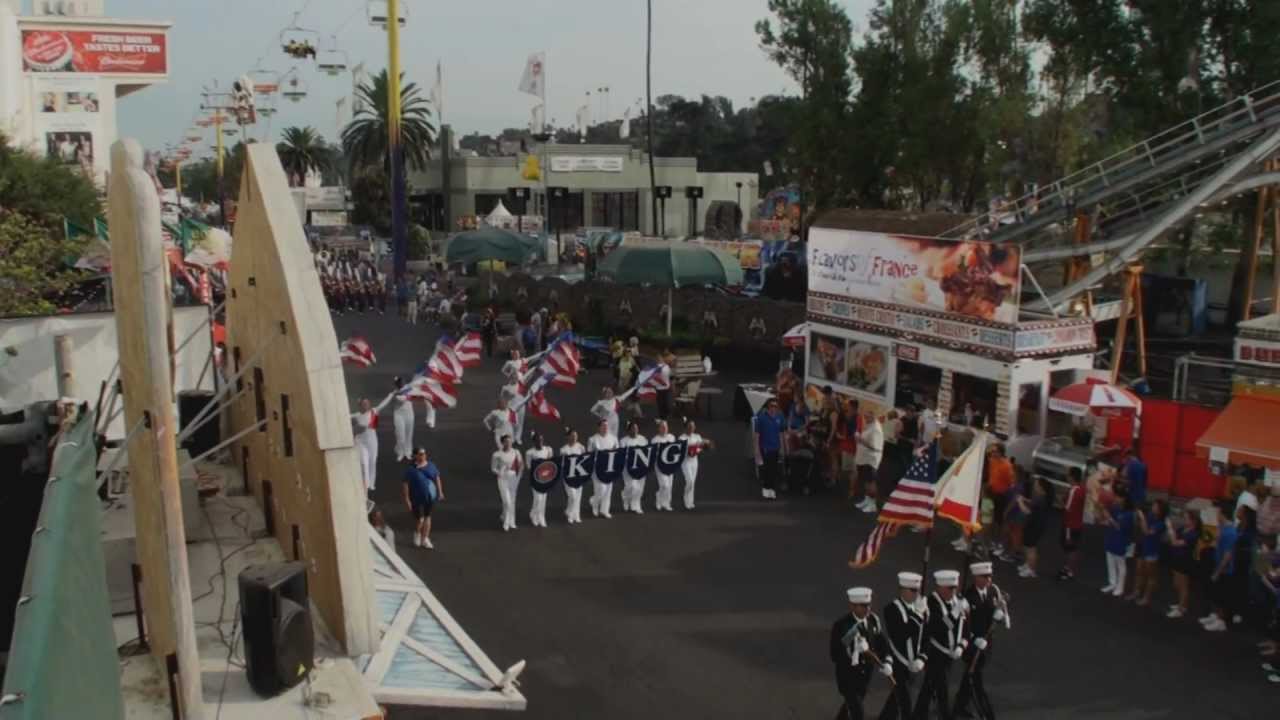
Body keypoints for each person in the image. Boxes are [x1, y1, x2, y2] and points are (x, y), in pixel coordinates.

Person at [953, 562, 1008, 719]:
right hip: (972, 647)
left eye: (990, 576)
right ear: (976, 577)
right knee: (976, 681)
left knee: (969, 678)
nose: (988, 579)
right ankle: (987, 714)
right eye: (985, 576)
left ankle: (959, 707)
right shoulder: (968, 597)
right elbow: (962, 625)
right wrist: (973, 639)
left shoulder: (992, 592)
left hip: (986, 645)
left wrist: (999, 616)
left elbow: (996, 613)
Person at [830, 586, 891, 720]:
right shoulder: (841, 625)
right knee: (858, 713)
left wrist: (887, 662)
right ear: (852, 606)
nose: (867, 609)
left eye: (869, 605)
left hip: (864, 678)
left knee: (848, 708)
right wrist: (853, 647)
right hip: (847, 677)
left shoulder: (873, 621)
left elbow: (882, 644)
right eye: (863, 606)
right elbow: (834, 654)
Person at [915, 569, 966, 720]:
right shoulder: (931, 603)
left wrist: (961, 645)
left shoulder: (957, 601)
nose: (954, 591)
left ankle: (918, 715)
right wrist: (955, 613)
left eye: (955, 588)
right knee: (942, 689)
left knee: (929, 687)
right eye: (951, 588)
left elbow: (965, 628)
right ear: (940, 588)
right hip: (935, 653)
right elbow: (939, 628)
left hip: (950, 654)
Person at [879, 571, 926, 720]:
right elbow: (901, 636)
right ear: (902, 590)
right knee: (906, 704)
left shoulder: (922, 608)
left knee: (895, 701)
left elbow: (927, 636)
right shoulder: (891, 610)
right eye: (913, 590)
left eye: (918, 590)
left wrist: (922, 658)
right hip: (898, 663)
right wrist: (918, 615)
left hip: (914, 664)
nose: (916, 594)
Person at [1202, 502, 1240, 632]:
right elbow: (1216, 542)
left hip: (1225, 570)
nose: (1216, 515)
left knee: (1222, 596)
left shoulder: (1231, 532)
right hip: (1218, 565)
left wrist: (1218, 572)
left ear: (1223, 514)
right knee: (1217, 594)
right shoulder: (1223, 528)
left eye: (1218, 513)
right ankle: (1215, 616)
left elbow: (1228, 556)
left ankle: (1221, 622)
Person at [350, 394, 394, 494]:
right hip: (360, 442)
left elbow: (383, 404)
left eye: (368, 403)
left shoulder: (374, 411)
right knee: (364, 463)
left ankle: (371, 484)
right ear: (360, 405)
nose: (366, 405)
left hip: (372, 441)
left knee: (372, 462)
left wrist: (391, 395)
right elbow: (345, 417)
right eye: (364, 404)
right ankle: (365, 484)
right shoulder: (356, 415)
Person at [402, 448, 442, 548]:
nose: (423, 456)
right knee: (420, 519)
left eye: (424, 454)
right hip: (416, 498)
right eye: (420, 454)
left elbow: (437, 478)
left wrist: (440, 492)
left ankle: (425, 539)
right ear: (415, 456)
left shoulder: (431, 466)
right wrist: (407, 499)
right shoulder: (411, 469)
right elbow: (405, 484)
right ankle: (417, 533)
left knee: (428, 517)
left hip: (429, 497)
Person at [1130, 499, 1168, 605]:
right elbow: (1141, 527)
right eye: (1153, 506)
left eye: (1155, 507)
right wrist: (1140, 517)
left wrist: (1142, 517)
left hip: (1152, 550)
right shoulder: (1150, 515)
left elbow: (1146, 531)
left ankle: (1146, 597)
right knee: (1139, 571)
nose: (1153, 508)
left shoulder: (1161, 523)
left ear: (1161, 510)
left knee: (1150, 575)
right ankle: (1136, 591)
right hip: (1143, 547)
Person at [1166, 507, 1202, 619]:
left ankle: (1181, 609)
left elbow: (1175, 542)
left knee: (1183, 586)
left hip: (1185, 561)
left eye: (1186, 519)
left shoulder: (1193, 534)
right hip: (1176, 558)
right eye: (1184, 518)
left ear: (1193, 521)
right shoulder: (1183, 529)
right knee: (1176, 584)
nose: (1184, 521)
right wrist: (1172, 532)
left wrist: (1170, 528)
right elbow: (1172, 540)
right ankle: (1182, 604)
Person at [1101, 490, 1135, 598]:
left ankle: (1120, 587)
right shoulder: (1115, 507)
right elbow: (1108, 518)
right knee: (1110, 561)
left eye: (1118, 497)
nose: (1116, 499)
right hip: (1111, 537)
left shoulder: (1129, 514)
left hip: (1121, 541)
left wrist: (1109, 518)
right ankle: (1112, 583)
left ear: (1124, 499)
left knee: (1120, 564)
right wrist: (1104, 512)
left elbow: (1119, 526)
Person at [1018, 477, 1052, 578]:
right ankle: (1028, 565)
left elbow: (1027, 511)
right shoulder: (1041, 497)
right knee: (1027, 546)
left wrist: (1020, 501)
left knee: (1031, 548)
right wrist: (1024, 499)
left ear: (1041, 487)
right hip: (1034, 524)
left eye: (1036, 484)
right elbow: (1032, 503)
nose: (1034, 486)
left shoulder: (1041, 499)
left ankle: (1031, 570)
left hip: (1036, 525)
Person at [1057, 467, 1086, 581]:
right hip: (1076, 524)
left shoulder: (1074, 490)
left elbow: (1068, 509)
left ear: (1072, 476)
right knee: (1071, 547)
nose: (1066, 476)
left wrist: (1060, 500)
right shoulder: (1080, 489)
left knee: (1070, 548)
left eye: (1068, 474)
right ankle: (1068, 568)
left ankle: (1069, 570)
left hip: (1070, 524)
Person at [753, 398, 785, 500]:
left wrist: (782, 448)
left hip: (776, 448)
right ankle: (766, 490)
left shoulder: (779, 417)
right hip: (765, 448)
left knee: (773, 470)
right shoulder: (761, 418)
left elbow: (781, 434)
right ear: (768, 407)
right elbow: (757, 436)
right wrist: (757, 450)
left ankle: (771, 490)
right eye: (772, 406)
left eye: (775, 406)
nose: (774, 408)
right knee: (767, 471)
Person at [854, 409, 884, 515]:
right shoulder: (870, 425)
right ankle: (867, 500)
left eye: (867, 417)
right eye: (864, 417)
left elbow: (875, 447)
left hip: (871, 460)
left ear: (873, 416)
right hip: (864, 458)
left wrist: (860, 440)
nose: (865, 419)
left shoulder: (876, 428)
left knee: (871, 482)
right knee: (866, 480)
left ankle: (872, 505)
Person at [588, 419, 619, 519]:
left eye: (606, 426)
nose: (605, 428)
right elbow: (589, 454)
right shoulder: (592, 439)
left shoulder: (613, 439)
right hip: (597, 469)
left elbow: (617, 452)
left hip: (609, 469)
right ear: (599, 428)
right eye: (603, 426)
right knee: (601, 489)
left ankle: (604, 510)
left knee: (608, 490)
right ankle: (595, 504)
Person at [491, 434, 523, 531]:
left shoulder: (516, 452)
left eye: (510, 441)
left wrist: (518, 476)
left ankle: (511, 521)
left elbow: (521, 465)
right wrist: (500, 472)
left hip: (513, 479)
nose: (509, 443)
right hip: (503, 480)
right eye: (506, 441)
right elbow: (493, 468)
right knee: (507, 502)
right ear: (502, 443)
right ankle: (506, 523)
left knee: (511, 501)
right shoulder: (497, 454)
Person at [678, 418, 709, 510]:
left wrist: (706, 443)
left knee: (693, 482)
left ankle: (690, 501)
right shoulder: (681, 438)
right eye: (690, 426)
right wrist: (697, 447)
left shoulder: (697, 436)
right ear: (686, 427)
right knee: (690, 481)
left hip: (694, 462)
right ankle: (685, 499)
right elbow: (687, 451)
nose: (692, 427)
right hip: (685, 462)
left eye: (693, 426)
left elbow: (702, 445)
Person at [619, 421, 650, 514]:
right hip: (628, 467)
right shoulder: (623, 441)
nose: (635, 430)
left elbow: (647, 452)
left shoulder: (643, 439)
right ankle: (625, 497)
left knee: (640, 487)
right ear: (628, 430)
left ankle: (636, 505)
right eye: (633, 428)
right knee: (631, 486)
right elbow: (622, 455)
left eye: (636, 428)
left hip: (641, 467)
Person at [525, 433, 554, 528]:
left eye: (541, 440)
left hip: (545, 478)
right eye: (537, 440)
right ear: (534, 442)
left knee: (543, 499)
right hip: (535, 479)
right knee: (538, 498)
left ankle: (541, 517)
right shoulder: (529, 453)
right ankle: (534, 515)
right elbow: (529, 466)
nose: (540, 442)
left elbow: (551, 463)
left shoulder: (548, 450)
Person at [560, 429, 588, 524]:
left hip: (578, 476)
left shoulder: (581, 447)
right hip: (568, 477)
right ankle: (570, 515)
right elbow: (562, 464)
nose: (574, 437)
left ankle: (576, 515)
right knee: (573, 496)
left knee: (578, 496)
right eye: (572, 435)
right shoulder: (563, 449)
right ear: (568, 437)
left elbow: (585, 460)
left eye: (576, 435)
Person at [651, 419, 677, 511]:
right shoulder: (655, 440)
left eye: (666, 426)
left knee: (669, 485)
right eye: (662, 427)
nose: (664, 428)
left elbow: (675, 450)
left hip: (670, 465)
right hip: (660, 465)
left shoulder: (672, 437)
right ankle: (658, 500)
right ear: (659, 429)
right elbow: (653, 454)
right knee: (664, 485)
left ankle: (666, 503)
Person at [391, 377, 415, 462]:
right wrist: (407, 395)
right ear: (396, 384)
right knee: (400, 435)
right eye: (398, 383)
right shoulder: (395, 393)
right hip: (399, 415)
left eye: (402, 382)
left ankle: (408, 452)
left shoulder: (410, 388)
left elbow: (413, 393)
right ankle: (400, 452)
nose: (401, 384)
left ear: (404, 382)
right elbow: (402, 399)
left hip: (409, 414)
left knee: (409, 435)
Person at [654, 350, 674, 419]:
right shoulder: (655, 368)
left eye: (659, 358)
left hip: (667, 388)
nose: (659, 359)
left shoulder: (667, 366)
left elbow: (671, 376)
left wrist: (672, 384)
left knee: (668, 404)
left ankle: (666, 415)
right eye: (657, 358)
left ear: (662, 358)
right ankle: (662, 417)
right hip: (659, 389)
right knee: (660, 405)